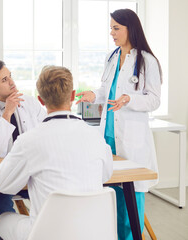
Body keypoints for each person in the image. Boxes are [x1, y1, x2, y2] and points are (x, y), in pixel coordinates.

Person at [0, 65, 113, 240]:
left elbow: (1, 184)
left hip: (46, 234)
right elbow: (105, 176)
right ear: (72, 96)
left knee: (2, 219)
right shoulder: (95, 136)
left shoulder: (29, 140)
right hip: (93, 232)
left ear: (40, 100)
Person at [76, 9, 162, 240]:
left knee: (131, 203)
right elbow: (106, 90)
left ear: (129, 28)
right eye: (111, 28)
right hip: (109, 136)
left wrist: (129, 99)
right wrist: (93, 95)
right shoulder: (112, 57)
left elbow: (154, 99)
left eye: (116, 28)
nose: (111, 33)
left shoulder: (147, 60)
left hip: (132, 139)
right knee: (110, 197)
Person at [0, 60, 47, 218]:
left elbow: (46, 133)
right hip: (4, 173)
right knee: (3, 209)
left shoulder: (30, 103)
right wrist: (7, 113)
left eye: (10, 76)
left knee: (50, 200)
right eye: (4, 80)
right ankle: (6, 231)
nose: (12, 82)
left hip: (33, 170)